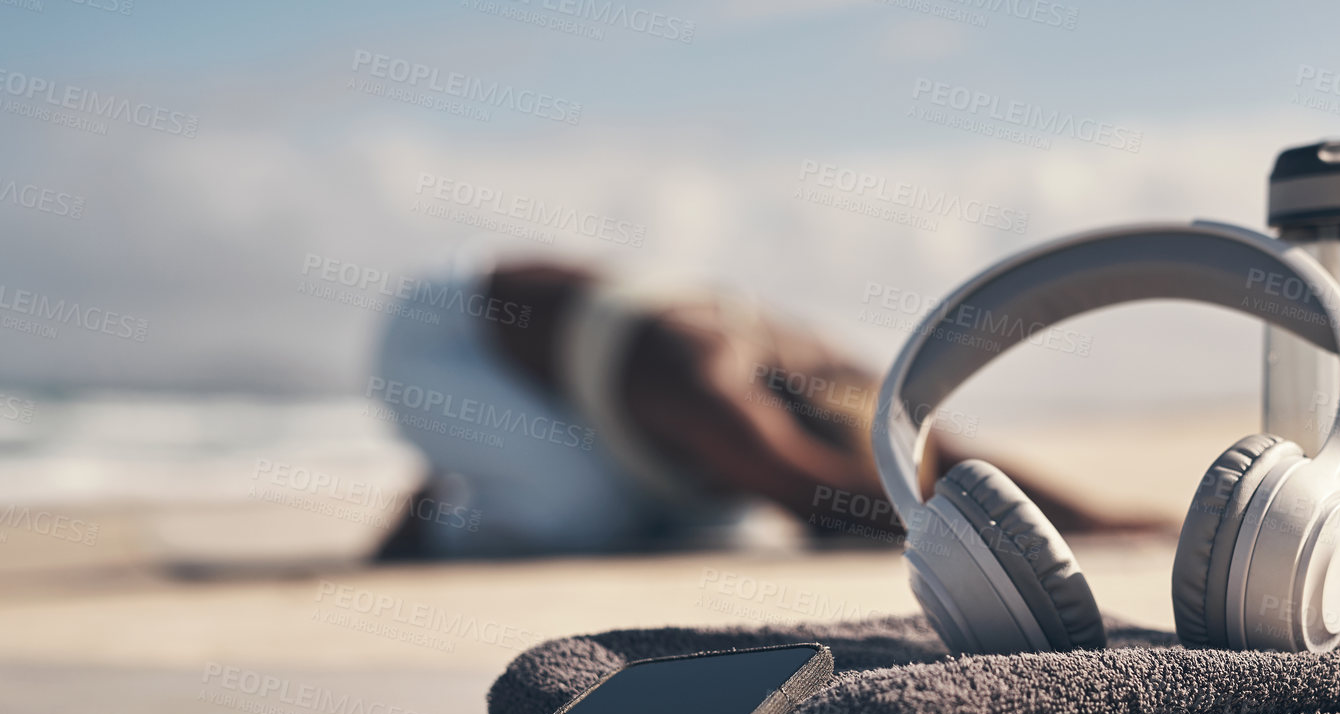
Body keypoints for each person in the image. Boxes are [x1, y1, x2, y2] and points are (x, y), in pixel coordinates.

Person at [372, 260, 1172, 559]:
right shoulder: (713, 391)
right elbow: (832, 498)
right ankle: (435, 513)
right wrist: (1033, 547)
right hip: (452, 347)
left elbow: (933, 450)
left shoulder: (820, 365)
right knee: (585, 518)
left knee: (710, 529)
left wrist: (1089, 516)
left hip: (590, 385)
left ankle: (503, 465)